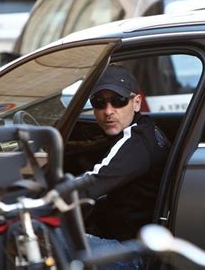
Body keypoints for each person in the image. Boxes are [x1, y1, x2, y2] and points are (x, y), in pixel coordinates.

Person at [77, 64, 171, 268]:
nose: (108, 111)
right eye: (99, 103)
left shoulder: (136, 142)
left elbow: (92, 184)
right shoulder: (145, 131)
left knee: (46, 238)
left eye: (118, 101)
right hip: (129, 241)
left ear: (136, 103)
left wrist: (41, 195)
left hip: (131, 254)